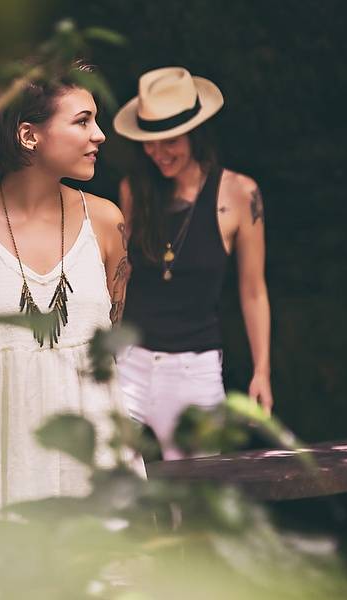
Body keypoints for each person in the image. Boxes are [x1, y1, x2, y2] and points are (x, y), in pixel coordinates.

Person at [0, 66, 140, 591]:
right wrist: (8, 412)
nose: (99, 135)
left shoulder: (107, 222)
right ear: (29, 135)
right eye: (83, 121)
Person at [112, 66, 273, 461]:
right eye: (150, 142)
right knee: (109, 499)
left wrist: (262, 371)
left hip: (193, 370)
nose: (159, 153)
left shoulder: (239, 194)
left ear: (195, 133)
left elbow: (252, 290)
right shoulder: (134, 189)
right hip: (129, 363)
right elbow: (119, 276)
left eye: (170, 141)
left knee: (198, 507)